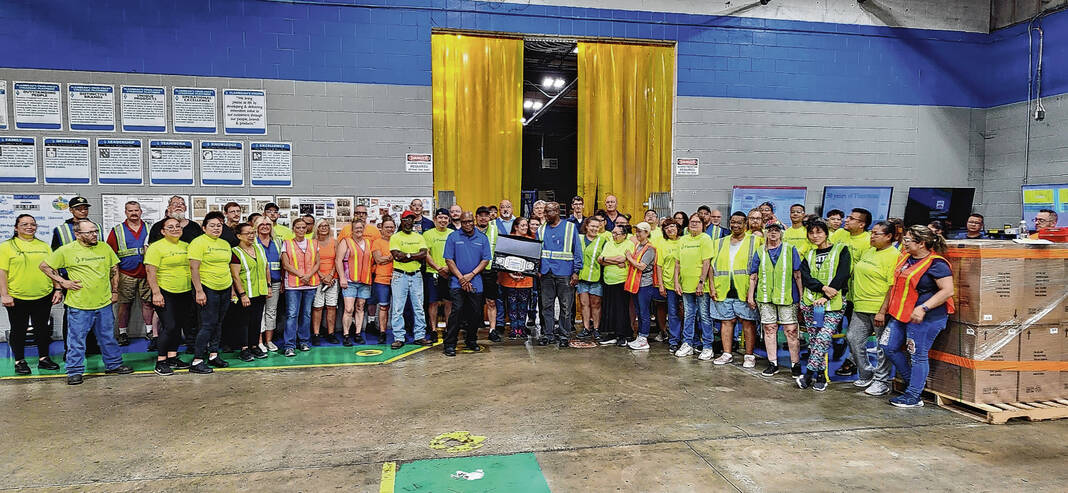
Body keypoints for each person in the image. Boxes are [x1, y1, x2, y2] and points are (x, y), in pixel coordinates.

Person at [40, 219, 133, 385]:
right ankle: (74, 371)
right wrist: (62, 282)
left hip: (104, 303)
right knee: (76, 341)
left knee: (108, 337)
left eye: (95, 231)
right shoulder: (66, 250)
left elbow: (114, 268)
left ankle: (113, 364)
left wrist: (114, 291)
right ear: (77, 234)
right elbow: (44, 266)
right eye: (89, 232)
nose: (94, 234)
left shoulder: (104, 247)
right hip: (79, 306)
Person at [880, 225, 954, 408]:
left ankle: (913, 395)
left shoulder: (937, 264)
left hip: (926, 318)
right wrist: (884, 310)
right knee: (888, 346)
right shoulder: (905, 258)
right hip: (901, 314)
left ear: (921, 243)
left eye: (908, 240)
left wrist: (923, 308)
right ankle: (913, 384)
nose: (904, 243)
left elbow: (947, 291)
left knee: (918, 355)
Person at [1, 215, 62, 375]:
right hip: (17, 296)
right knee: (18, 330)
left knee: (42, 329)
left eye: (33, 224)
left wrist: (57, 288)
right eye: (25, 224)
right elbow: (2, 272)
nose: (30, 227)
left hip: (43, 295)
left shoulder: (44, 246)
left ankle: (44, 359)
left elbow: (52, 268)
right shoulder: (6, 247)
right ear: (16, 228)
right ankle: (19, 361)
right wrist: (4, 294)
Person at [796, 219, 852, 391]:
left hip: (834, 303)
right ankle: (821, 375)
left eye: (819, 232)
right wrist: (823, 288)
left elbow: (843, 274)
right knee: (814, 341)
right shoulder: (809, 254)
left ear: (826, 233)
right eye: (811, 233)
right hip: (811, 303)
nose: (815, 236)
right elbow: (806, 277)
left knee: (823, 338)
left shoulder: (841, 250)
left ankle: (808, 374)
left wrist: (827, 295)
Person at [846, 221, 900, 396]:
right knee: (853, 338)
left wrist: (882, 311)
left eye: (877, 233)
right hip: (860, 305)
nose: (872, 236)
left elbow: (892, 286)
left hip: (879, 308)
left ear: (889, 236)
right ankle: (866, 373)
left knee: (881, 346)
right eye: (872, 233)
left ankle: (881, 381)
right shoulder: (869, 251)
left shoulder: (894, 255)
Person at [746, 222, 803, 377]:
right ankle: (773, 363)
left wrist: (801, 296)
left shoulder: (790, 249)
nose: (773, 233)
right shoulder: (760, 251)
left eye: (776, 230)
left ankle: (795, 364)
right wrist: (750, 296)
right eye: (770, 230)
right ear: (766, 232)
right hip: (765, 297)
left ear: (781, 233)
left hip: (787, 297)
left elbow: (797, 275)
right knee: (769, 329)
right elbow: (753, 276)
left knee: (791, 331)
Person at [710, 212, 762, 366]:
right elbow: (711, 267)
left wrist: (753, 291)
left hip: (745, 289)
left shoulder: (755, 241)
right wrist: (712, 286)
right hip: (723, 288)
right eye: (733, 222)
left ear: (745, 224)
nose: (736, 225)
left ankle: (749, 356)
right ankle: (727, 354)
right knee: (726, 321)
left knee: (748, 322)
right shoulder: (719, 242)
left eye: (739, 222)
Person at [144, 217, 193, 375]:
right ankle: (161, 361)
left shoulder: (186, 246)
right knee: (169, 326)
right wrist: (156, 293)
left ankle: (172, 357)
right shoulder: (156, 247)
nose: (175, 229)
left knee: (178, 326)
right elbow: (150, 272)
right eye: (170, 227)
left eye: (177, 226)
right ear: (163, 231)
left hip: (184, 291)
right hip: (165, 292)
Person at [188, 211, 235, 374]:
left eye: (219, 226)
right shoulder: (198, 243)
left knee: (219, 323)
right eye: (212, 226)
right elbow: (194, 269)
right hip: (207, 288)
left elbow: (227, 267)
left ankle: (213, 355)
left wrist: (232, 290)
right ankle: (197, 360)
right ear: (204, 228)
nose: (216, 228)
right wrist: (199, 291)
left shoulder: (225, 244)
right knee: (207, 324)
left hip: (225, 287)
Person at [441, 211, 492, 356]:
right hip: (457, 282)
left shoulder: (482, 238)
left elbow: (485, 260)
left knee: (475, 313)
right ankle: (450, 344)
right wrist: (461, 278)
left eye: (470, 221)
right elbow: (449, 259)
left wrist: (471, 275)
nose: (467, 224)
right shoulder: (453, 237)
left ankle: (471, 340)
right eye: (464, 222)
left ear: (474, 221)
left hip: (475, 281)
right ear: (460, 222)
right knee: (456, 311)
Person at [106, 201, 154, 347]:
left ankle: (150, 331)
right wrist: (114, 278)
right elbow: (110, 255)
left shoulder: (150, 228)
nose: (134, 213)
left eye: (136, 210)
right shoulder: (117, 230)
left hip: (147, 273)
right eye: (130, 210)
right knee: (124, 304)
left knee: (148, 303)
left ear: (141, 211)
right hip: (125, 273)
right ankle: (122, 333)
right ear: (125, 212)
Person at [536, 202, 583, 348]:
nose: (545, 214)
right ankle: (548, 334)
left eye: (548, 211)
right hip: (546, 273)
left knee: (566, 307)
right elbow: (537, 251)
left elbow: (577, 250)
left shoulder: (570, 227)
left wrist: (576, 271)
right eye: (545, 211)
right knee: (546, 306)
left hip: (565, 273)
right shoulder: (541, 229)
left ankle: (564, 336)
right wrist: (537, 268)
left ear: (557, 212)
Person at [672, 214, 714, 358]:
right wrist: (676, 282)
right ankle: (688, 343)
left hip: (701, 286)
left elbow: (707, 262)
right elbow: (677, 263)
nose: (694, 224)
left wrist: (701, 282)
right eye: (692, 222)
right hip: (685, 285)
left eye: (697, 222)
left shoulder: (705, 239)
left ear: (703, 225)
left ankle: (707, 346)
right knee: (688, 315)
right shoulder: (683, 240)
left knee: (704, 316)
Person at [389, 211, 432, 349]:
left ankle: (419, 336)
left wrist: (407, 255)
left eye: (411, 219)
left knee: (419, 307)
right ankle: (399, 337)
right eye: (406, 219)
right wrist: (414, 256)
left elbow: (423, 254)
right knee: (398, 308)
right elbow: (397, 256)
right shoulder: (395, 237)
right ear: (401, 221)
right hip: (399, 275)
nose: (409, 222)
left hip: (416, 275)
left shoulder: (419, 237)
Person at [229, 222, 270, 362]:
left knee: (256, 321)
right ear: (239, 236)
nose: (251, 236)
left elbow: (266, 267)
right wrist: (242, 294)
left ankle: (254, 346)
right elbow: (235, 275)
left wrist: (268, 286)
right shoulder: (235, 252)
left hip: (260, 292)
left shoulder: (259, 248)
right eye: (248, 233)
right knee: (243, 322)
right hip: (246, 293)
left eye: (253, 233)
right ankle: (244, 348)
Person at [281, 218, 319, 356]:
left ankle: (304, 342)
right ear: (293, 229)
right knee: (292, 314)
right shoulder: (287, 243)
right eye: (298, 227)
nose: (301, 230)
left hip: (310, 284)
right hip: (293, 285)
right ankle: (289, 345)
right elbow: (286, 264)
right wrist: (301, 275)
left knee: (306, 314)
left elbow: (317, 263)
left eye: (303, 227)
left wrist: (308, 275)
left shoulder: (313, 243)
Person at [336, 218, 375, 346]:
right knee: (349, 309)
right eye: (356, 228)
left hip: (365, 280)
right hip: (349, 280)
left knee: (360, 307)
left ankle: (358, 333)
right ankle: (346, 335)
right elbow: (338, 260)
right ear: (352, 230)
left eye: (361, 227)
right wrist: (342, 277)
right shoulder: (346, 241)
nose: (359, 230)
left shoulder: (369, 242)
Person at [597, 224, 634, 347]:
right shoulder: (609, 243)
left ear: (624, 235)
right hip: (608, 280)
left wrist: (607, 259)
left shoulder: (629, 244)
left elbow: (622, 259)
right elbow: (600, 259)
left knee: (621, 309)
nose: (614, 235)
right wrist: (612, 261)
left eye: (617, 233)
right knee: (610, 308)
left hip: (621, 281)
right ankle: (612, 333)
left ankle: (622, 335)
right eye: (613, 233)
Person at [625, 222, 659, 350]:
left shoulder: (650, 249)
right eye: (637, 231)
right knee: (639, 310)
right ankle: (640, 336)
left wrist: (629, 258)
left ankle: (644, 338)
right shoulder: (638, 246)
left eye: (640, 231)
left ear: (647, 233)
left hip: (645, 284)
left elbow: (641, 266)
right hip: (636, 283)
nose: (637, 234)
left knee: (644, 311)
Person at [500, 218, 534, 339]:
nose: (525, 227)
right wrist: (510, 273)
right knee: (512, 305)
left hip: (526, 279)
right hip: (509, 280)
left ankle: (522, 328)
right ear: (516, 227)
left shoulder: (531, 241)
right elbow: (502, 257)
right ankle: (514, 329)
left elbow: (533, 260)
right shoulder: (507, 240)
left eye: (526, 225)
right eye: (522, 225)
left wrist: (524, 273)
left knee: (523, 306)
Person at [423, 208, 454, 342]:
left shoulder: (453, 234)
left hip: (449, 273)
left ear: (449, 220)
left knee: (449, 302)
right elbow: (426, 253)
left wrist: (448, 268)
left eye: (445, 218)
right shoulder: (428, 234)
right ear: (435, 219)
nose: (443, 220)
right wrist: (437, 268)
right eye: (440, 218)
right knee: (433, 302)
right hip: (432, 273)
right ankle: (434, 330)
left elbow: (456, 253)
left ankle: (448, 329)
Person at [254, 216, 283, 352]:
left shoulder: (277, 242)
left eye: (268, 224)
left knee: (271, 311)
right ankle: (259, 341)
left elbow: (283, 262)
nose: (265, 226)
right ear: (256, 227)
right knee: (260, 312)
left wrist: (282, 280)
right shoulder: (253, 242)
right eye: (262, 224)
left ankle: (269, 341)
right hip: (259, 282)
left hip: (276, 281)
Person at [575, 216, 606, 341]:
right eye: (592, 226)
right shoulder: (579, 238)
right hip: (581, 278)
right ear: (586, 226)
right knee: (584, 304)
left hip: (596, 278)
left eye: (597, 227)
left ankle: (596, 329)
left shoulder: (602, 240)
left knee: (596, 304)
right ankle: (586, 328)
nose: (594, 229)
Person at [474, 206, 502, 341]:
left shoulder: (495, 229)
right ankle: (472, 330)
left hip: (490, 271)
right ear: (476, 217)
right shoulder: (470, 230)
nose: (483, 218)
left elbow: (500, 249)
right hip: (473, 272)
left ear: (490, 217)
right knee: (474, 302)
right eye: (481, 215)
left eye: (486, 215)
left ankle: (492, 330)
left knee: (491, 301)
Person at [310, 219, 338, 345]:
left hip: (332, 279)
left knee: (332, 306)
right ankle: (316, 334)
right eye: (321, 226)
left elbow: (338, 260)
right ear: (317, 228)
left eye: (326, 225)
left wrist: (330, 275)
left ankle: (331, 333)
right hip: (317, 278)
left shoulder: (334, 242)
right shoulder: (312, 243)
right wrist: (322, 276)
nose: (324, 228)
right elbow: (311, 261)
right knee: (318, 307)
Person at [657, 219, 683, 353]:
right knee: (672, 313)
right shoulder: (662, 243)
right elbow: (659, 266)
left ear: (678, 228)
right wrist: (661, 285)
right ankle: (674, 340)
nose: (670, 229)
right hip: (669, 283)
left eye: (672, 226)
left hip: (686, 283)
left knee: (686, 312)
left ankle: (688, 340)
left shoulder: (684, 241)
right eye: (666, 228)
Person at [371, 217, 397, 344]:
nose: (389, 229)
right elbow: (378, 260)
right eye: (387, 227)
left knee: (398, 307)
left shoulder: (398, 240)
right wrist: (392, 256)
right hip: (382, 279)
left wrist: (385, 258)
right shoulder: (377, 242)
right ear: (381, 228)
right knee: (383, 306)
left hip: (398, 278)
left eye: (391, 227)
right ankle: (382, 332)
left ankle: (398, 333)